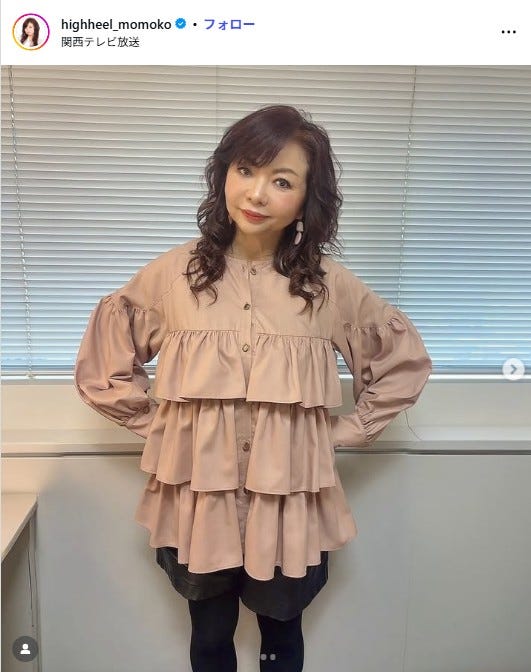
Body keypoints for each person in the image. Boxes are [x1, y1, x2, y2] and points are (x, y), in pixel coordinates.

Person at [74, 104, 432, 672]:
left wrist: (343, 430)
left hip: (287, 508)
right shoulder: (174, 276)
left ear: (307, 199)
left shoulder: (329, 287)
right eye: (245, 170)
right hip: (200, 505)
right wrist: (165, 429)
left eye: (282, 181)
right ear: (224, 173)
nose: (257, 193)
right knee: (209, 639)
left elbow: (401, 361)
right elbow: (104, 364)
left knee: (281, 641)